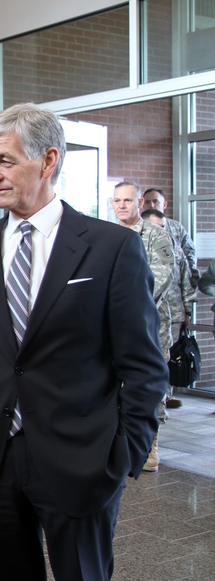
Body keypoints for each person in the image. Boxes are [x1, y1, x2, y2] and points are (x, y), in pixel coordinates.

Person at [0, 103, 167, 581]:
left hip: (79, 459)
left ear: (48, 161)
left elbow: (144, 366)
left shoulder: (110, 248)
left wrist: (124, 454)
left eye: (5, 161)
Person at [112, 181, 176, 472]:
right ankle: (117, 440)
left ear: (140, 203)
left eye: (128, 200)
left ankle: (150, 444)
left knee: (148, 383)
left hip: (148, 326)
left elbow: (160, 278)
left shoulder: (154, 236)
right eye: (117, 200)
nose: (122, 205)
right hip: (112, 326)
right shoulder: (106, 236)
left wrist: (125, 307)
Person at [142, 208, 195, 416]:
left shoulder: (175, 250)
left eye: (164, 227)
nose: (163, 232)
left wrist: (188, 309)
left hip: (171, 314)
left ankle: (163, 403)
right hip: (145, 313)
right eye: (158, 227)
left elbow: (186, 281)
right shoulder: (136, 246)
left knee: (164, 358)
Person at [143, 188, 198, 287]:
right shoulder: (137, 229)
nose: (151, 205)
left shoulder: (176, 228)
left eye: (155, 201)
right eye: (147, 202)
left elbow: (189, 253)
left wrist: (191, 281)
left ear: (164, 205)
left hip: (174, 290)